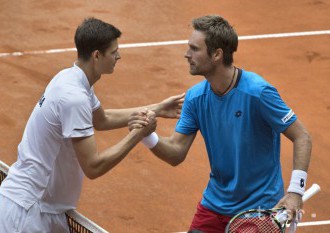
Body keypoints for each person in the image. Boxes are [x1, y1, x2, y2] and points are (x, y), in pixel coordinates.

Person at [129, 15, 312, 233]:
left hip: (259, 209)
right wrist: (147, 135)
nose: (187, 54)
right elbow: (176, 152)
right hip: (214, 205)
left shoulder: (258, 93)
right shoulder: (195, 98)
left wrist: (295, 191)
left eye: (194, 49)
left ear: (217, 54)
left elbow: (302, 136)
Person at [0, 17, 184, 232]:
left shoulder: (71, 79)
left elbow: (102, 120)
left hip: (43, 207)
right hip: (28, 212)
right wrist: (137, 134)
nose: (119, 56)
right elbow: (93, 166)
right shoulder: (74, 97)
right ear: (97, 55)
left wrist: (158, 109)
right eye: (114, 51)